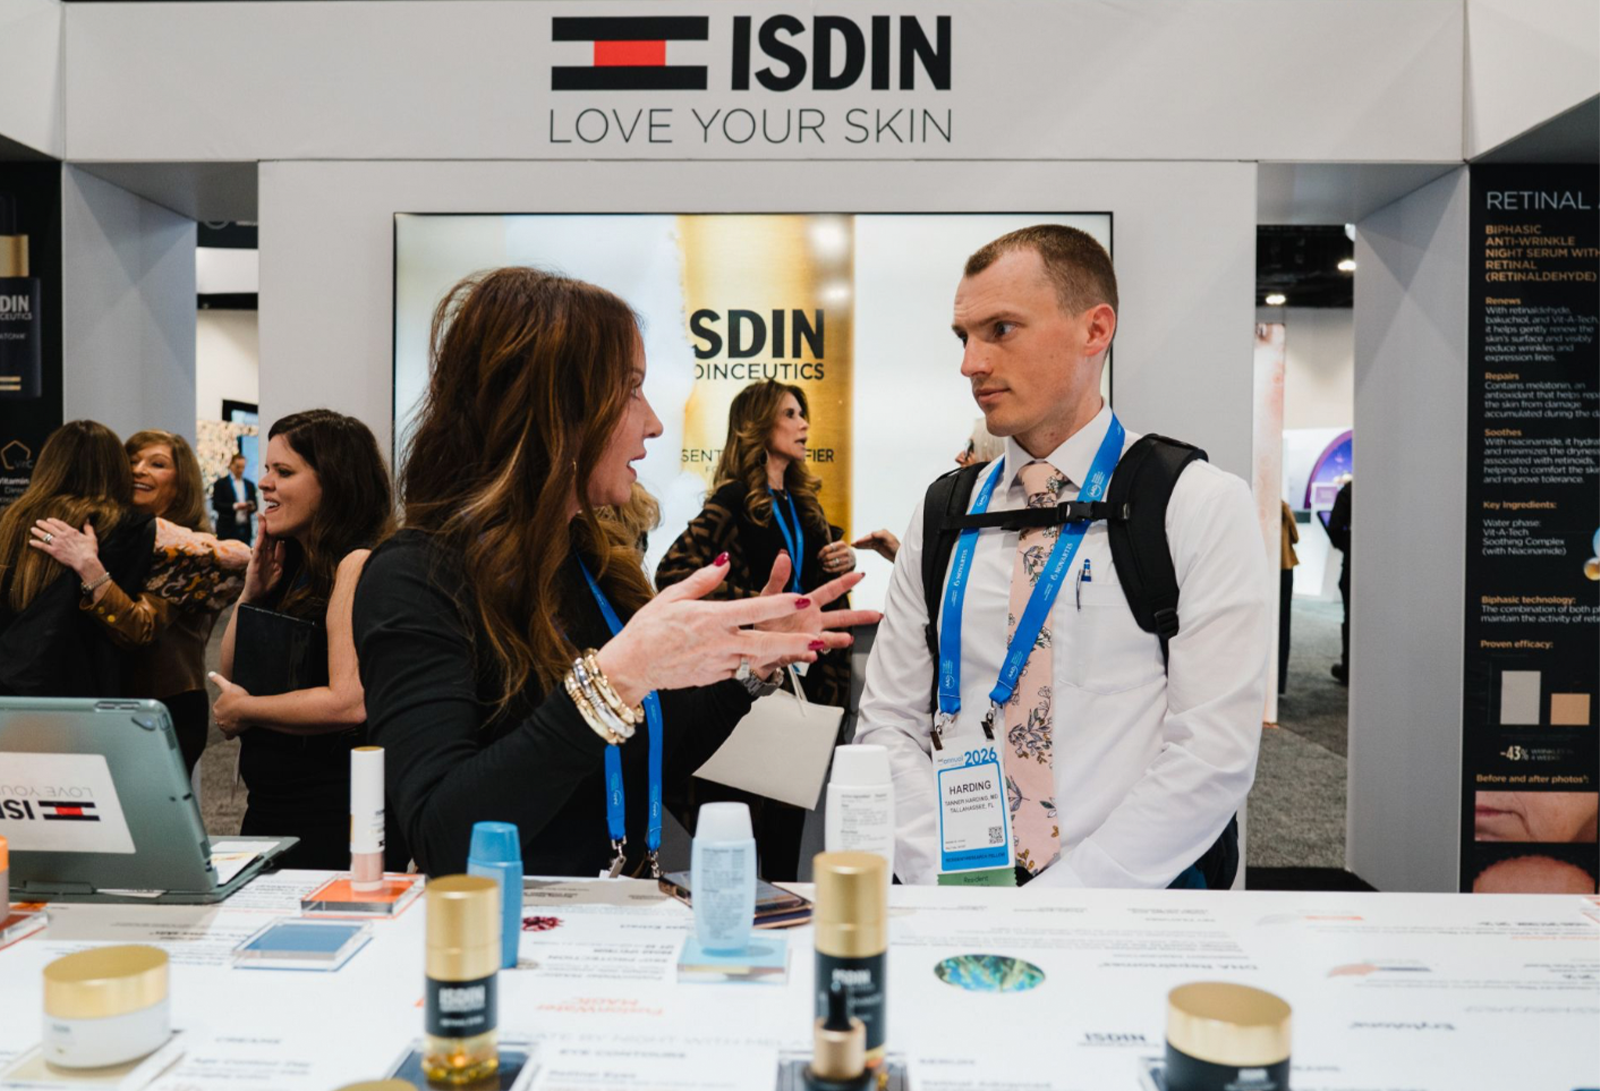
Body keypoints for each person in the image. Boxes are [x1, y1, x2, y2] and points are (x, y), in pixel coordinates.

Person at [353, 268, 878, 878]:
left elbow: (657, 753)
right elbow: (443, 838)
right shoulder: (416, 578)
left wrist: (752, 665)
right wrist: (615, 678)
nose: (654, 422)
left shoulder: (595, 568)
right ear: (556, 410)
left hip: (612, 921)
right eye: (631, 390)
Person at [855, 224, 1269, 889]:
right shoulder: (944, 513)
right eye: (964, 337)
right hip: (958, 895)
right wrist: (945, 881)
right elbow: (888, 723)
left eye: (1001, 329)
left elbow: (1212, 751)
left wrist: (1063, 904)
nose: (971, 364)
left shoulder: (1195, 503)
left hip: (1130, 904)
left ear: (1094, 330)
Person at [656, 378, 856, 881]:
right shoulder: (732, 499)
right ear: (758, 424)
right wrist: (755, 613)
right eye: (790, 414)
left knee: (786, 842)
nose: (804, 424)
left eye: (803, 414)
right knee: (735, 839)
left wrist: (839, 561)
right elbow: (674, 574)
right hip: (745, 689)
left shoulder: (806, 505)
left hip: (803, 689)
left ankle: (780, 927)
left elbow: (816, 591)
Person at [209, 409, 394, 869]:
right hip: (272, 805)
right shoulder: (287, 564)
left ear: (334, 483)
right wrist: (251, 594)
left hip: (330, 813)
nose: (264, 483)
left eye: (284, 472)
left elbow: (348, 702)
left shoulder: (356, 563)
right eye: (267, 469)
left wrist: (246, 710)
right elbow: (233, 677)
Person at [30, 431, 249, 775]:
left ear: (182, 482)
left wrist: (91, 569)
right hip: (112, 702)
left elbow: (138, 627)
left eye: (157, 464)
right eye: (131, 461)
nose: (139, 470)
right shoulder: (115, 535)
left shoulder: (188, 552)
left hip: (163, 708)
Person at [0, 421, 155, 697]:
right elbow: (130, 630)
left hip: (9, 687)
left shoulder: (9, 521)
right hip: (86, 691)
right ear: (116, 468)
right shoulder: (126, 527)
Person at [855, 419, 1007, 563]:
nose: (958, 458)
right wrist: (899, 555)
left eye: (970, 448)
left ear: (992, 456)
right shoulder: (956, 507)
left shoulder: (1004, 526)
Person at [1325, 477, 1352, 684]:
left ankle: (1349, 667)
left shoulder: (1350, 491)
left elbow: (1334, 528)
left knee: (1351, 617)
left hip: (1354, 567)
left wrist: (1349, 548)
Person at [212, 453, 257, 543]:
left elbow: (255, 505)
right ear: (231, 465)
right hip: (227, 530)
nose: (240, 470)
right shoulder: (221, 483)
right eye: (238, 467)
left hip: (245, 530)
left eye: (243, 467)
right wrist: (235, 506)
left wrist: (251, 507)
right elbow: (216, 505)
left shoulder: (250, 485)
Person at [1278, 500, 1299, 696]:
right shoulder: (1283, 506)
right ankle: (1279, 682)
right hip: (1284, 567)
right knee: (1283, 625)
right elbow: (1295, 536)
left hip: (1270, 567)